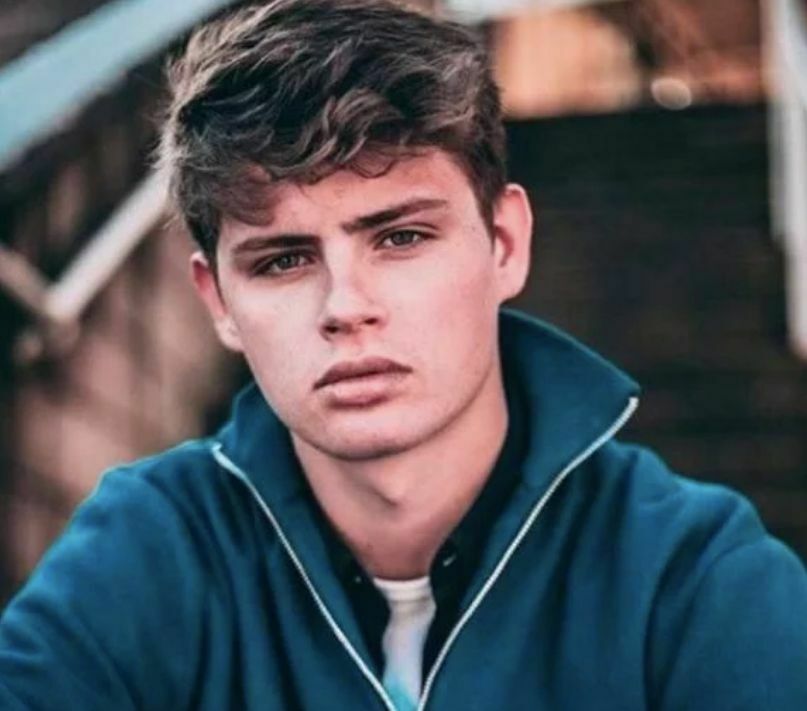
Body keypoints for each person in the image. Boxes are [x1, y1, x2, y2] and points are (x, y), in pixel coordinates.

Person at [1, 0, 806, 708]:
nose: (345, 306)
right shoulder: (149, 547)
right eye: (283, 259)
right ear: (218, 302)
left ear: (504, 243)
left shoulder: (690, 575)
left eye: (400, 237)